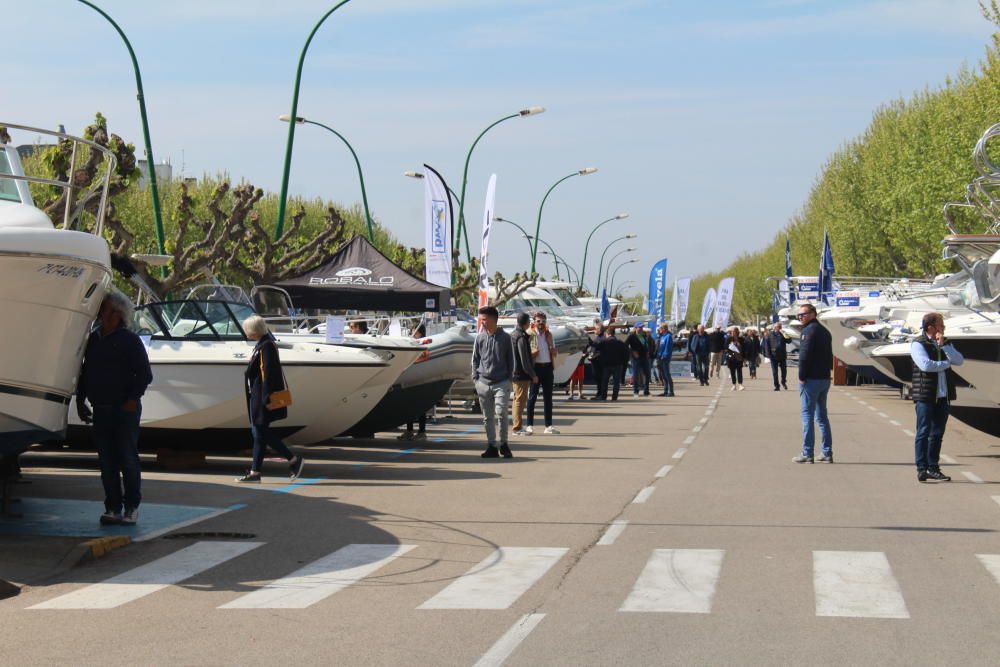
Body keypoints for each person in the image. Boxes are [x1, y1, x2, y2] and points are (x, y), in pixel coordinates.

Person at [76, 292, 153, 526]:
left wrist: (132, 399)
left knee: (127, 458)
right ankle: (112, 507)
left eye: (105, 309)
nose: (101, 313)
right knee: (106, 461)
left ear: (118, 314)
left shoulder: (130, 341)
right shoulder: (94, 340)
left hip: (124, 409)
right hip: (101, 408)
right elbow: (85, 372)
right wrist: (81, 400)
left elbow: (145, 374)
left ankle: (131, 506)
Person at [238, 315, 305, 482]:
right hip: (259, 395)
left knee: (260, 431)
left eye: (247, 329)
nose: (245, 332)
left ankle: (293, 459)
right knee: (258, 433)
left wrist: (266, 398)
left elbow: (267, 373)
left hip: (262, 396)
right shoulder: (264, 344)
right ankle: (255, 472)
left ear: (253, 330)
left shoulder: (266, 346)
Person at [910, 312, 964, 483]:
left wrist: (944, 346)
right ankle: (921, 468)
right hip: (925, 395)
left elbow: (960, 360)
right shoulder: (918, 344)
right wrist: (946, 364)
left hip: (943, 395)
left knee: (937, 433)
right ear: (930, 327)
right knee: (923, 432)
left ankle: (933, 467)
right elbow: (925, 366)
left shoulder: (946, 343)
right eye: (941, 325)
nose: (944, 328)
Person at [793, 303, 834, 464]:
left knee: (807, 416)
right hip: (824, 378)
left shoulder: (809, 331)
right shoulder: (825, 331)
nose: (800, 317)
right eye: (799, 315)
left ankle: (807, 452)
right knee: (822, 417)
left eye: (803, 314)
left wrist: (801, 376)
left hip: (811, 380)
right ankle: (827, 452)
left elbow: (804, 356)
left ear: (813, 314)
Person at [471, 305, 515, 457]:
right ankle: (491, 446)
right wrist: (475, 379)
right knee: (487, 417)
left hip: (502, 382)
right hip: (483, 383)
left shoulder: (505, 338)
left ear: (493, 319)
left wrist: (509, 379)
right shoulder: (480, 337)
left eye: (484, 319)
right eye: (480, 319)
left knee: (501, 412)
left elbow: (511, 360)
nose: (481, 322)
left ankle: (504, 444)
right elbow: (475, 359)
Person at [527, 311, 559, 434]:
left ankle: (548, 426)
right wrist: (533, 354)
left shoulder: (548, 334)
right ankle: (529, 425)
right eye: (538, 321)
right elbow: (525, 354)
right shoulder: (529, 334)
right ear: (534, 322)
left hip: (548, 367)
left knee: (548, 398)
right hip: (536, 368)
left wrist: (554, 351)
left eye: (543, 321)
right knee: (532, 397)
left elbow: (554, 352)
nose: (541, 323)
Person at [399, 323, 429, 441]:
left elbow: (423, 359)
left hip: (420, 380)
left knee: (421, 407)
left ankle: (422, 432)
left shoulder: (425, 345)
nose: (412, 333)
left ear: (420, 333)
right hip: (409, 379)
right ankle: (409, 430)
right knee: (408, 406)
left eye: (414, 331)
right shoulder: (410, 344)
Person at [510, 312, 538, 436]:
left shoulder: (513, 335)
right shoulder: (521, 337)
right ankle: (517, 427)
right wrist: (533, 374)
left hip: (514, 372)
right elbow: (524, 359)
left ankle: (518, 426)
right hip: (520, 373)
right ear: (526, 323)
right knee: (519, 400)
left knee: (518, 399)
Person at [625, 324, 651, 397]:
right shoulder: (631, 336)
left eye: (642, 327)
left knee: (647, 374)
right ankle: (636, 391)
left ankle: (646, 391)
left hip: (644, 357)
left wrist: (647, 352)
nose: (641, 329)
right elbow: (625, 345)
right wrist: (632, 352)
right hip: (636, 358)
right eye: (639, 327)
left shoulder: (644, 335)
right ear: (635, 328)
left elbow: (646, 345)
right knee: (636, 375)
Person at [762, 322, 789, 391]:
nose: (780, 328)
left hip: (782, 355)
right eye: (778, 327)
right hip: (773, 356)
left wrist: (785, 334)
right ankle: (777, 386)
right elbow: (767, 345)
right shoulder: (770, 334)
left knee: (784, 371)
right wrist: (768, 355)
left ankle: (783, 381)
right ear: (774, 327)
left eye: (780, 327)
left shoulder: (783, 334)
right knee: (775, 372)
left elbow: (789, 341)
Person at [656, 323, 675, 397]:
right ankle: (665, 391)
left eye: (660, 329)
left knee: (667, 375)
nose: (659, 330)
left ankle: (671, 391)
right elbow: (660, 347)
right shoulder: (662, 337)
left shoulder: (668, 336)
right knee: (663, 375)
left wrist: (664, 355)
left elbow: (668, 348)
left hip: (665, 358)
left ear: (663, 329)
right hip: (660, 358)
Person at [726, 326, 745, 391]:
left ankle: (740, 384)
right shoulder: (729, 339)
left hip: (739, 357)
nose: (733, 333)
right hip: (731, 357)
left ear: (737, 332)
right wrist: (729, 346)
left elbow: (744, 348)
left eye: (734, 331)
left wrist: (740, 345)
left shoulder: (741, 339)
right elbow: (725, 347)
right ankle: (734, 385)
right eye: (732, 331)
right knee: (732, 372)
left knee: (739, 371)